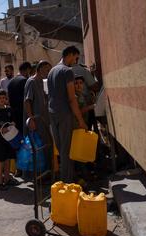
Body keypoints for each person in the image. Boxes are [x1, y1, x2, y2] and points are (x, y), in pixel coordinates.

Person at [47, 46, 88, 183]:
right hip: (64, 114)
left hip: (52, 114)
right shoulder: (67, 71)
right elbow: (72, 98)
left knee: (61, 149)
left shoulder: (52, 70)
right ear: (70, 55)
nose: (75, 61)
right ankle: (68, 185)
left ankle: (67, 181)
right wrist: (81, 120)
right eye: (76, 58)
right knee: (66, 151)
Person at [72, 62, 99, 131]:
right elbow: (77, 112)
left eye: (81, 83)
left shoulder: (82, 95)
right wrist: (91, 106)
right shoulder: (75, 97)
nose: (79, 85)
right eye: (76, 83)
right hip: (79, 126)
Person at [7, 61, 32, 134]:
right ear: (27, 70)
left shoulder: (11, 81)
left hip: (14, 113)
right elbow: (27, 99)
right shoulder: (25, 81)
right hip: (23, 113)